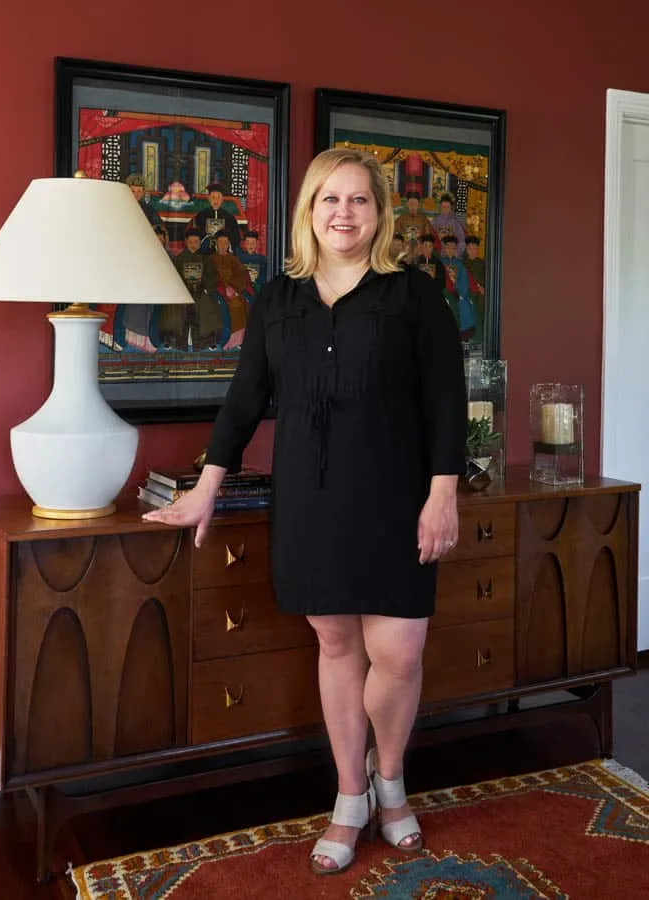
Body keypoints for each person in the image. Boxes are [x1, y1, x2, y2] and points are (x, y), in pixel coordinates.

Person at [142, 147, 467, 876]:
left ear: (379, 213)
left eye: (358, 200)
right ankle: (354, 796)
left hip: (396, 496)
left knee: (399, 651)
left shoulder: (413, 296)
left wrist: (443, 492)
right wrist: (206, 485)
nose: (343, 213)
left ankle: (392, 776)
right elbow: (245, 398)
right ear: (309, 211)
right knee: (336, 646)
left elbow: (448, 399)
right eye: (330, 199)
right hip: (310, 499)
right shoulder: (278, 299)